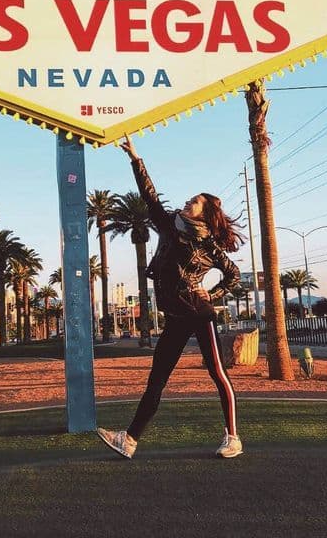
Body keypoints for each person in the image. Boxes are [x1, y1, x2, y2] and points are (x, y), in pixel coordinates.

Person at [97, 135, 245, 460]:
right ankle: (129, 439)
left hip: (198, 312)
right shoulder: (169, 225)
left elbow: (233, 275)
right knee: (157, 378)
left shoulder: (208, 246)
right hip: (176, 317)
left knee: (217, 372)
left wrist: (215, 293)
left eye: (195, 201)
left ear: (204, 214)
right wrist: (136, 159)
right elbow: (150, 197)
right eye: (190, 198)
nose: (188, 202)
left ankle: (232, 437)